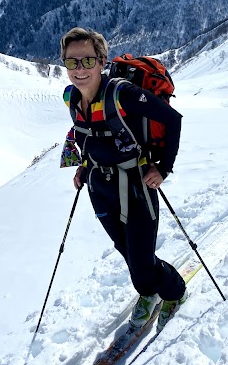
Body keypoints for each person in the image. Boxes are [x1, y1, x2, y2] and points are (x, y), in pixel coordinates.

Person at [61, 27, 187, 331]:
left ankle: (175, 291)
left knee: (142, 264)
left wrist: (164, 167)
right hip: (99, 188)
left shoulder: (122, 94)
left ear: (102, 61)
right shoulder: (71, 98)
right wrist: (83, 166)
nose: (79, 70)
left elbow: (172, 119)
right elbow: (86, 135)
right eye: (72, 62)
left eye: (87, 61)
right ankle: (148, 292)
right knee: (128, 253)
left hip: (136, 188)